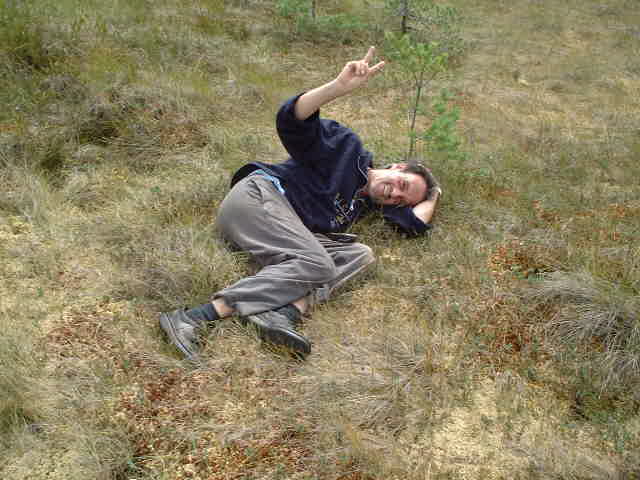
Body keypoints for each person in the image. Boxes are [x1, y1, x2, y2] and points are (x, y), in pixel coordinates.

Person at [160, 47, 442, 360]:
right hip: (258, 198)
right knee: (319, 263)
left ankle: (283, 313)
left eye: (402, 199)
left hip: (279, 231)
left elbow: (413, 225)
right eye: (402, 184)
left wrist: (432, 195)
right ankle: (193, 317)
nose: (395, 194)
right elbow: (293, 122)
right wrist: (335, 88)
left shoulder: (363, 205)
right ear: (398, 167)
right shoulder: (347, 149)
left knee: (360, 254)